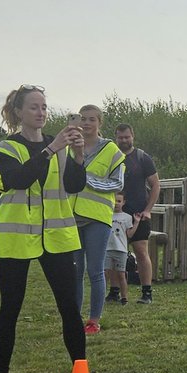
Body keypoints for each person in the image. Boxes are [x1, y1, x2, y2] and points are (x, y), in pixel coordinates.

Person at [0, 85, 88, 373]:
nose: (41, 113)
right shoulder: (5, 149)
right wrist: (52, 148)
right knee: (10, 308)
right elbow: (17, 180)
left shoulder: (60, 147)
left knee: (70, 308)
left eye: (44, 107)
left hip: (56, 238)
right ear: (18, 112)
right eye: (34, 107)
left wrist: (79, 154)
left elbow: (74, 186)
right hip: (16, 239)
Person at [71, 105, 125, 334]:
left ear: (99, 123)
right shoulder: (69, 146)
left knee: (95, 270)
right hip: (71, 216)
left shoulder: (111, 149)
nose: (86, 123)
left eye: (91, 119)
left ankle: (93, 320)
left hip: (97, 217)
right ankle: (73, 319)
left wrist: (90, 182)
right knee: (74, 270)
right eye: (82, 119)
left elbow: (118, 183)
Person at [114, 123, 160, 304]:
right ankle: (114, 290)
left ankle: (146, 292)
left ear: (132, 136)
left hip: (138, 213)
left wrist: (148, 210)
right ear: (115, 137)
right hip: (115, 212)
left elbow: (155, 184)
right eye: (120, 137)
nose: (124, 140)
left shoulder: (142, 158)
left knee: (141, 251)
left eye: (127, 137)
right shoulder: (112, 157)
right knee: (113, 253)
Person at [105, 192, 138, 306]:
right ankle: (100, 296)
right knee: (105, 273)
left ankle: (124, 298)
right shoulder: (107, 214)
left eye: (119, 201)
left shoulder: (127, 217)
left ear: (123, 202)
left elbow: (129, 234)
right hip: (107, 249)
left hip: (121, 250)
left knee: (121, 274)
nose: (116, 204)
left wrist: (136, 222)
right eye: (114, 201)